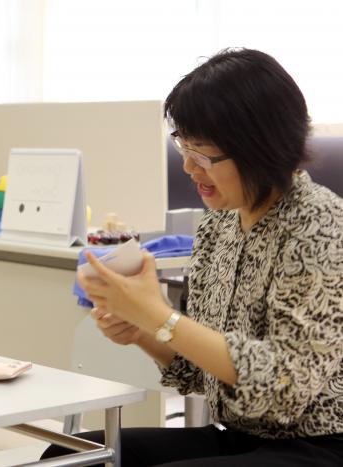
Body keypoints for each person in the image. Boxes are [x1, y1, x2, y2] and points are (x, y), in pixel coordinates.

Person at [42, 48, 343, 466]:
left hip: (318, 444)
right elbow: (196, 372)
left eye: (201, 154)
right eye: (182, 145)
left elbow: (282, 386)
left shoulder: (319, 222)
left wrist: (159, 317)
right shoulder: (217, 225)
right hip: (238, 435)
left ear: (260, 147)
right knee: (73, 454)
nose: (186, 166)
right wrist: (142, 331)